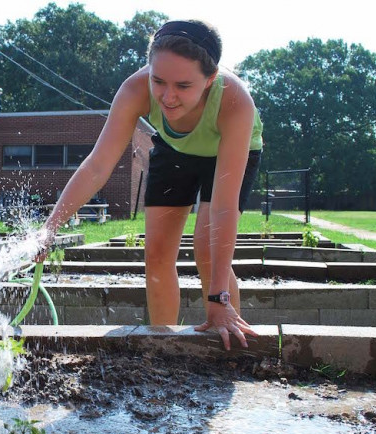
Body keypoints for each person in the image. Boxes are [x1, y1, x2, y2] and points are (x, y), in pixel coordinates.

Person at [35, 19, 263, 350]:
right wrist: (50, 228)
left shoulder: (234, 101)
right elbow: (98, 166)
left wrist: (218, 296)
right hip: (174, 148)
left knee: (207, 250)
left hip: (230, 150)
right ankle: (162, 347)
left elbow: (225, 208)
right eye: (159, 81)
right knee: (156, 252)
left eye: (183, 86)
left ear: (210, 79)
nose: (167, 97)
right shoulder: (134, 89)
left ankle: (226, 340)